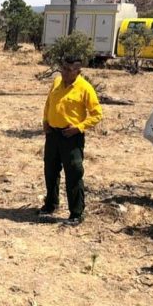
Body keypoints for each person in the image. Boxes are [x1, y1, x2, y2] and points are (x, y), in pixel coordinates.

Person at [40, 58, 103, 226]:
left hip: (71, 136)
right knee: (50, 170)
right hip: (52, 134)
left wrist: (79, 127)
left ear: (78, 72)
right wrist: (45, 121)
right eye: (63, 68)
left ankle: (76, 213)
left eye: (69, 69)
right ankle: (50, 204)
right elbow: (49, 103)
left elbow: (97, 114)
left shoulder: (85, 88)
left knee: (73, 173)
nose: (64, 72)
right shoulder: (57, 82)